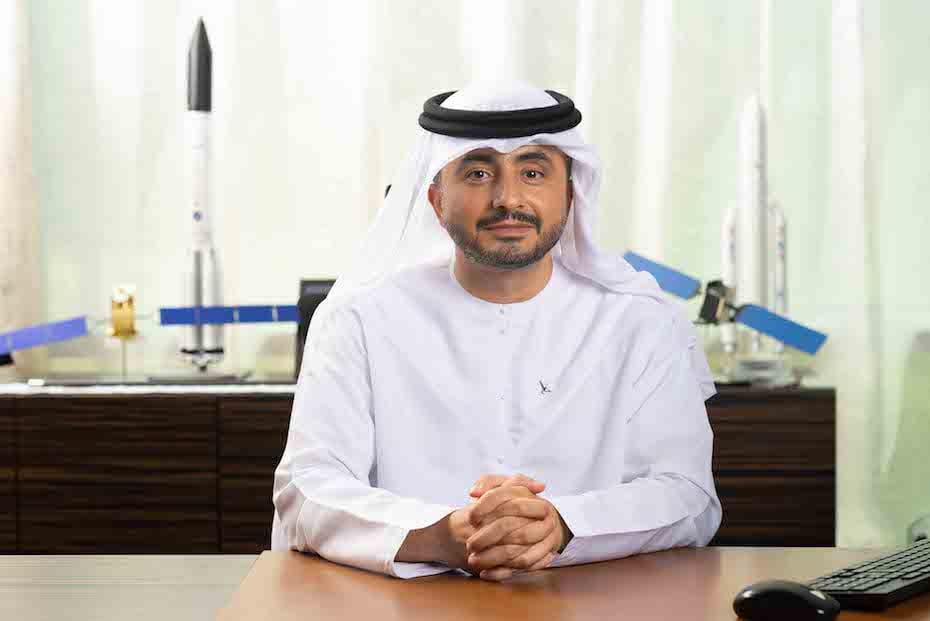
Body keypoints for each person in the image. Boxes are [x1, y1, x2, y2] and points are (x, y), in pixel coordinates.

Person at [271, 80, 721, 581]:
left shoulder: (642, 323)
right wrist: (440, 534)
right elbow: (308, 488)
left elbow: (688, 493)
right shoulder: (357, 319)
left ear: (570, 195)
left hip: (593, 602)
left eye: (533, 172)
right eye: (479, 173)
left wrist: (562, 525)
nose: (508, 198)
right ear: (436, 200)